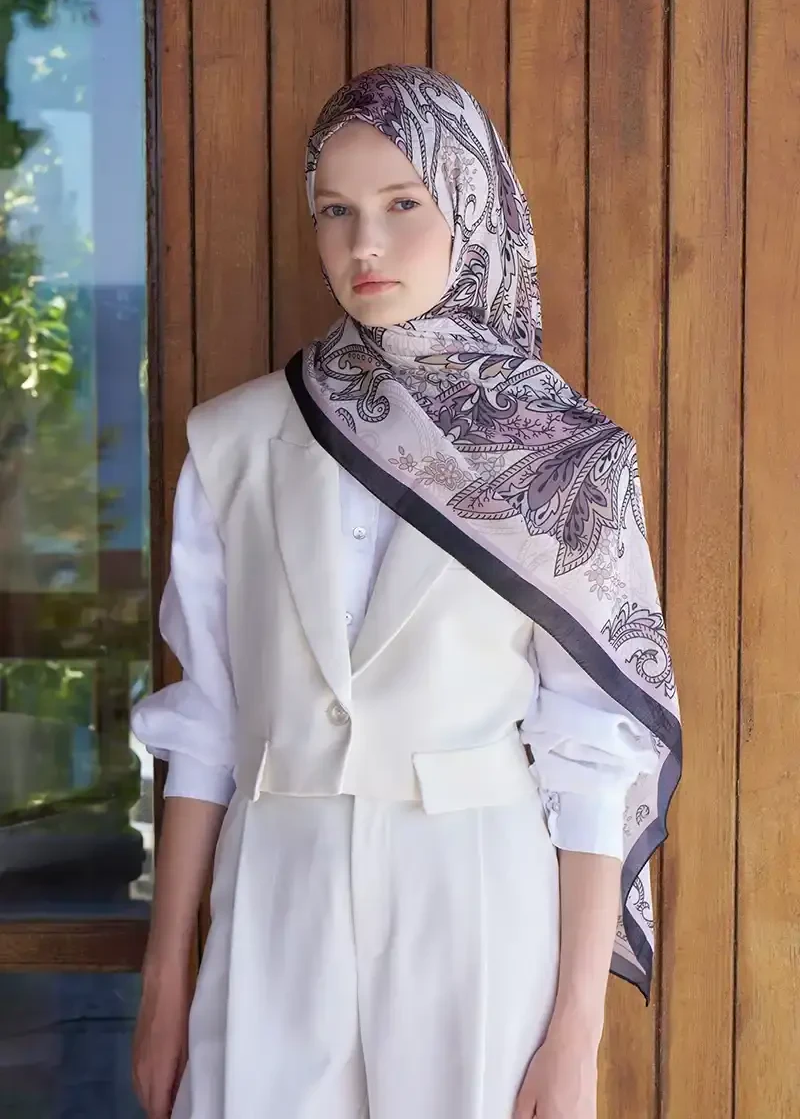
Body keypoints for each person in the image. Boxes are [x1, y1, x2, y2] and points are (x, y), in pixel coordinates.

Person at [131, 64, 682, 1119]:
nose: (364, 246)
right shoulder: (234, 439)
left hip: (475, 903)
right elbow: (204, 726)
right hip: (275, 898)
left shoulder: (565, 459)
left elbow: (592, 752)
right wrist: (164, 987)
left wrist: (575, 1032)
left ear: (470, 206)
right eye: (334, 211)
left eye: (401, 204)